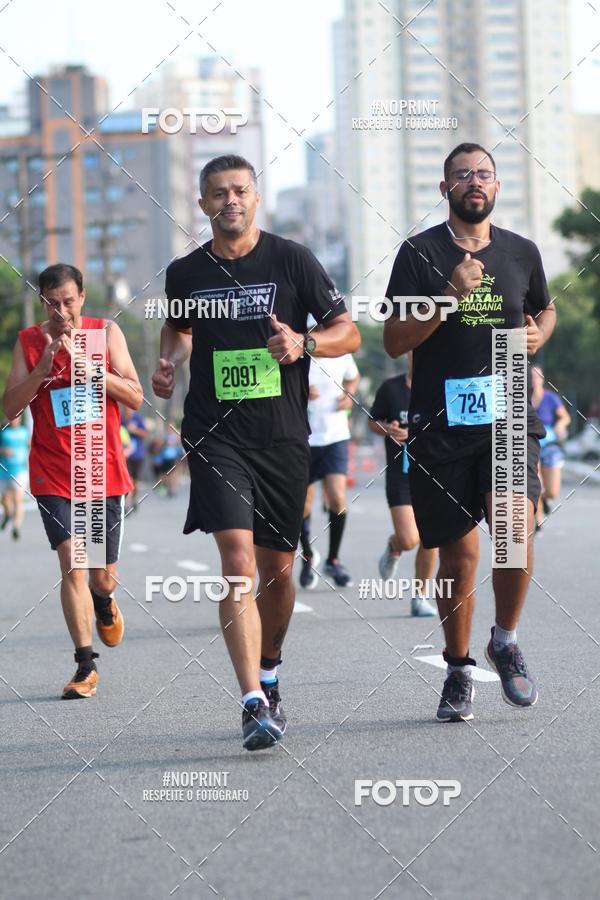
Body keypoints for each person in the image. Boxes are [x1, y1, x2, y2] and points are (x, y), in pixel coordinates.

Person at [152, 154, 360, 750]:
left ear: (255, 197)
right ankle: (250, 702)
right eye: (217, 193)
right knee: (238, 561)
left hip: (283, 436)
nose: (229, 201)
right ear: (202, 205)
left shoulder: (291, 258)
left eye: (239, 190)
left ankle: (270, 671)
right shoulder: (186, 272)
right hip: (216, 434)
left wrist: (305, 341)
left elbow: (349, 329)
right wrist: (168, 362)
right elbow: (179, 327)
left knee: (276, 570)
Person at [383, 142, 556, 721]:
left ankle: (504, 641)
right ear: (445, 189)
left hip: (507, 409)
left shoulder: (522, 252)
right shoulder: (417, 253)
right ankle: (458, 667)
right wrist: (448, 297)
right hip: (442, 419)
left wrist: (539, 336)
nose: (474, 182)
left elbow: (544, 310)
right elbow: (394, 340)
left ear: (497, 187)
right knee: (459, 555)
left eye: (483, 174)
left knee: (514, 527)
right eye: (462, 175)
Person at [2, 263, 142, 699]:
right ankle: (85, 665)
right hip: (51, 471)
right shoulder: (28, 342)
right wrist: (44, 363)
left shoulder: (106, 334)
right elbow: (9, 408)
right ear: (43, 302)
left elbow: (136, 397)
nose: (62, 312)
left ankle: (104, 602)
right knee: (72, 561)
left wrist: (91, 368)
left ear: (82, 297)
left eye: (68, 302)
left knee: (101, 576)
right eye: (52, 303)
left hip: (99, 471)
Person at [368, 355, 438, 616]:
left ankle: (419, 598)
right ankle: (395, 546)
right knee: (410, 539)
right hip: (401, 474)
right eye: (412, 351)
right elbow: (372, 422)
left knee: (431, 538)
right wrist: (388, 429)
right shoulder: (391, 388)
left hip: (432, 471)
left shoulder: (438, 386)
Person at [298, 340, 360, 589]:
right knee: (302, 506)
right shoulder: (298, 356)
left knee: (337, 498)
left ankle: (333, 560)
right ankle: (308, 556)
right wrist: (301, 388)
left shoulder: (341, 352)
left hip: (336, 437)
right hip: (304, 438)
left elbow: (354, 377)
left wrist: (349, 393)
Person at [531, 366, 570, 529]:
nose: (534, 379)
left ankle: (546, 500)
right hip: (530, 446)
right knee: (535, 484)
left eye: (537, 376)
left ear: (542, 378)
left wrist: (560, 425)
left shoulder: (551, 398)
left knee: (552, 491)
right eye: (530, 376)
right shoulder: (520, 398)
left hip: (550, 445)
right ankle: (538, 522)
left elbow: (565, 418)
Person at [0, 415, 30, 540]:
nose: (15, 420)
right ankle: (8, 514)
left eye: (17, 418)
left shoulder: (25, 432)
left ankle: (16, 527)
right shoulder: (3, 431)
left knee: (18, 500)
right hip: (4, 471)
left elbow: (31, 446)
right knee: (5, 501)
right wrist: (2, 451)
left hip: (20, 471)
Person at [122, 405, 149, 511]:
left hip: (138, 454)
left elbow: (145, 433)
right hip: (125, 455)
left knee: (136, 481)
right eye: (125, 408)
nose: (127, 409)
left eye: (129, 408)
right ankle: (126, 504)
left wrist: (135, 430)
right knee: (128, 478)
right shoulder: (121, 420)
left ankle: (134, 499)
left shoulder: (138, 419)